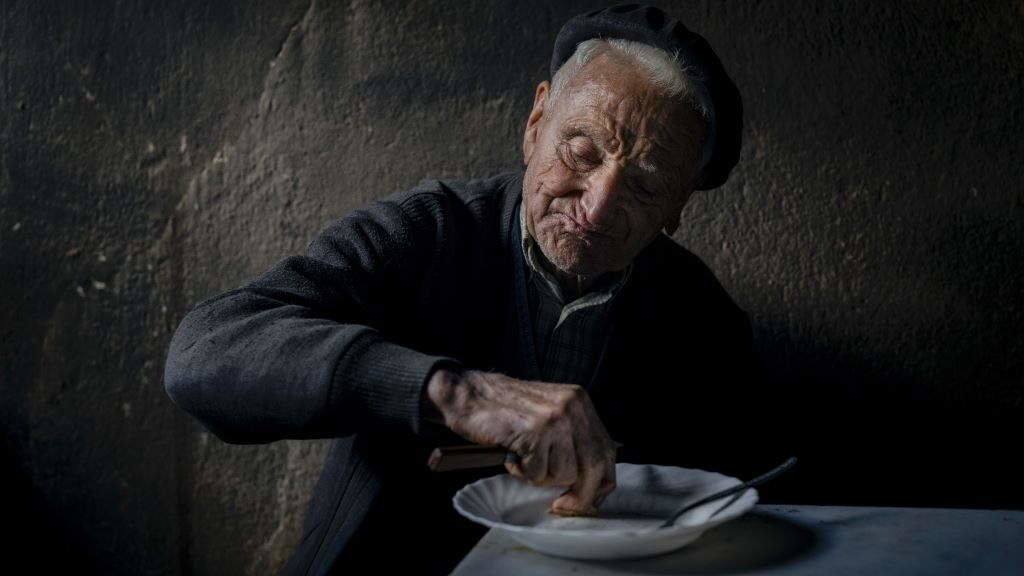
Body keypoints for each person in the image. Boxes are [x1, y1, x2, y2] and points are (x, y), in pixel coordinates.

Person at [164, 5, 762, 574]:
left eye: (646, 186)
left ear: (678, 209)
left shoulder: (702, 319)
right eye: (581, 151)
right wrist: (457, 393)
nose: (598, 206)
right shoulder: (428, 233)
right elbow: (203, 354)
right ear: (535, 125)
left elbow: (727, 512)